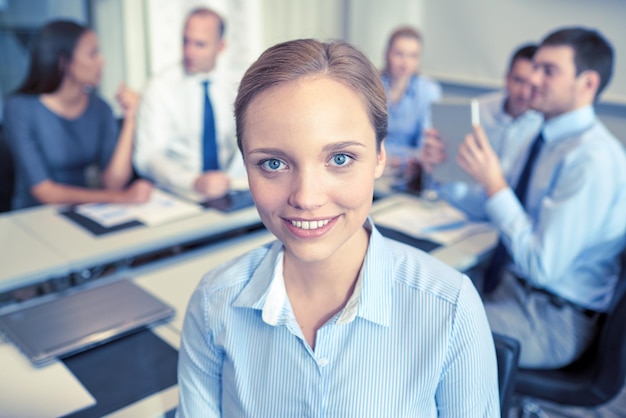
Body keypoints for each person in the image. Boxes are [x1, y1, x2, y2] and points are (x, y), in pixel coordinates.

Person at [176, 39, 499, 417]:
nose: (307, 198)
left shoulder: (450, 308)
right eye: (273, 164)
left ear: (380, 156)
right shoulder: (214, 302)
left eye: (340, 158)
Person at [457, 27, 626, 369]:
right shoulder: (540, 135)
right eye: (535, 66)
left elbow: (541, 265)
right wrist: (441, 178)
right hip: (511, 288)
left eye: (548, 71)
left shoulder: (592, 159)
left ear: (587, 83)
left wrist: (495, 185)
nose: (533, 79)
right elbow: (495, 209)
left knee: (426, 324)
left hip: (552, 318)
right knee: (417, 289)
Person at [3, 20, 152, 210]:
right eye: (92, 54)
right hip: (34, 218)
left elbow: (113, 182)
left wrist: (131, 118)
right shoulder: (19, 108)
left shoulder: (100, 108)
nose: (102, 61)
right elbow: (44, 191)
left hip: (85, 212)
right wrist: (120, 198)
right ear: (64, 63)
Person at [134, 7, 243, 200]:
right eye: (186, 41)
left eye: (200, 44)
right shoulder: (160, 87)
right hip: (180, 194)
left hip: (229, 189)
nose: (189, 52)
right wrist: (192, 181)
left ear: (220, 47)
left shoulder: (235, 85)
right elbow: (147, 157)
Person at [426, 43, 543, 220]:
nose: (525, 92)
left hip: (512, 220)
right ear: (507, 77)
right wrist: (438, 164)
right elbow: (451, 179)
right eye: (518, 80)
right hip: (464, 212)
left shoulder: (544, 127)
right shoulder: (478, 110)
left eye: (532, 86)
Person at [380, 26, 442, 179]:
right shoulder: (372, 85)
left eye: (413, 56)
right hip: (376, 165)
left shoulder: (428, 91)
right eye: (399, 54)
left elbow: (427, 145)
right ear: (387, 54)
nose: (405, 62)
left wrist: (401, 160)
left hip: (410, 172)